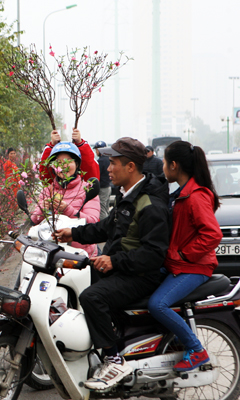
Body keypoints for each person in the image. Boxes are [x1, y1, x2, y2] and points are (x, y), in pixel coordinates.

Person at [54, 137, 170, 390]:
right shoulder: (127, 194)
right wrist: (72, 233)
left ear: (130, 167)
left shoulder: (150, 204)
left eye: (113, 163)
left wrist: (113, 260)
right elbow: (106, 228)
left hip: (142, 275)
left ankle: (114, 358)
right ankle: (116, 344)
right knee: (89, 280)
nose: (107, 168)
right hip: (126, 269)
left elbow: (154, 254)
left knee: (92, 297)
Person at [147, 141, 222, 372]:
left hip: (195, 267)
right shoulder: (181, 193)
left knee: (157, 305)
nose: (162, 169)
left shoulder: (195, 195)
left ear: (174, 165)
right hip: (178, 264)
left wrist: (184, 253)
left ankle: (196, 349)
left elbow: (212, 234)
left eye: (164, 164)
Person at [31, 142, 100, 257]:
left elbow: (92, 222)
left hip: (81, 254)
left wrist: (68, 210)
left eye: (69, 161)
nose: (64, 166)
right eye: (59, 162)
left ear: (77, 164)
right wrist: (42, 209)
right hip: (50, 253)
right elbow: (34, 220)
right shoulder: (47, 191)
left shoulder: (87, 189)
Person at [94, 141, 112, 220]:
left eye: (96, 149)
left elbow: (97, 175)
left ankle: (104, 228)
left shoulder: (100, 161)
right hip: (108, 186)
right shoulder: (109, 159)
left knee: (101, 209)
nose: (96, 151)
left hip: (102, 188)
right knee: (106, 208)